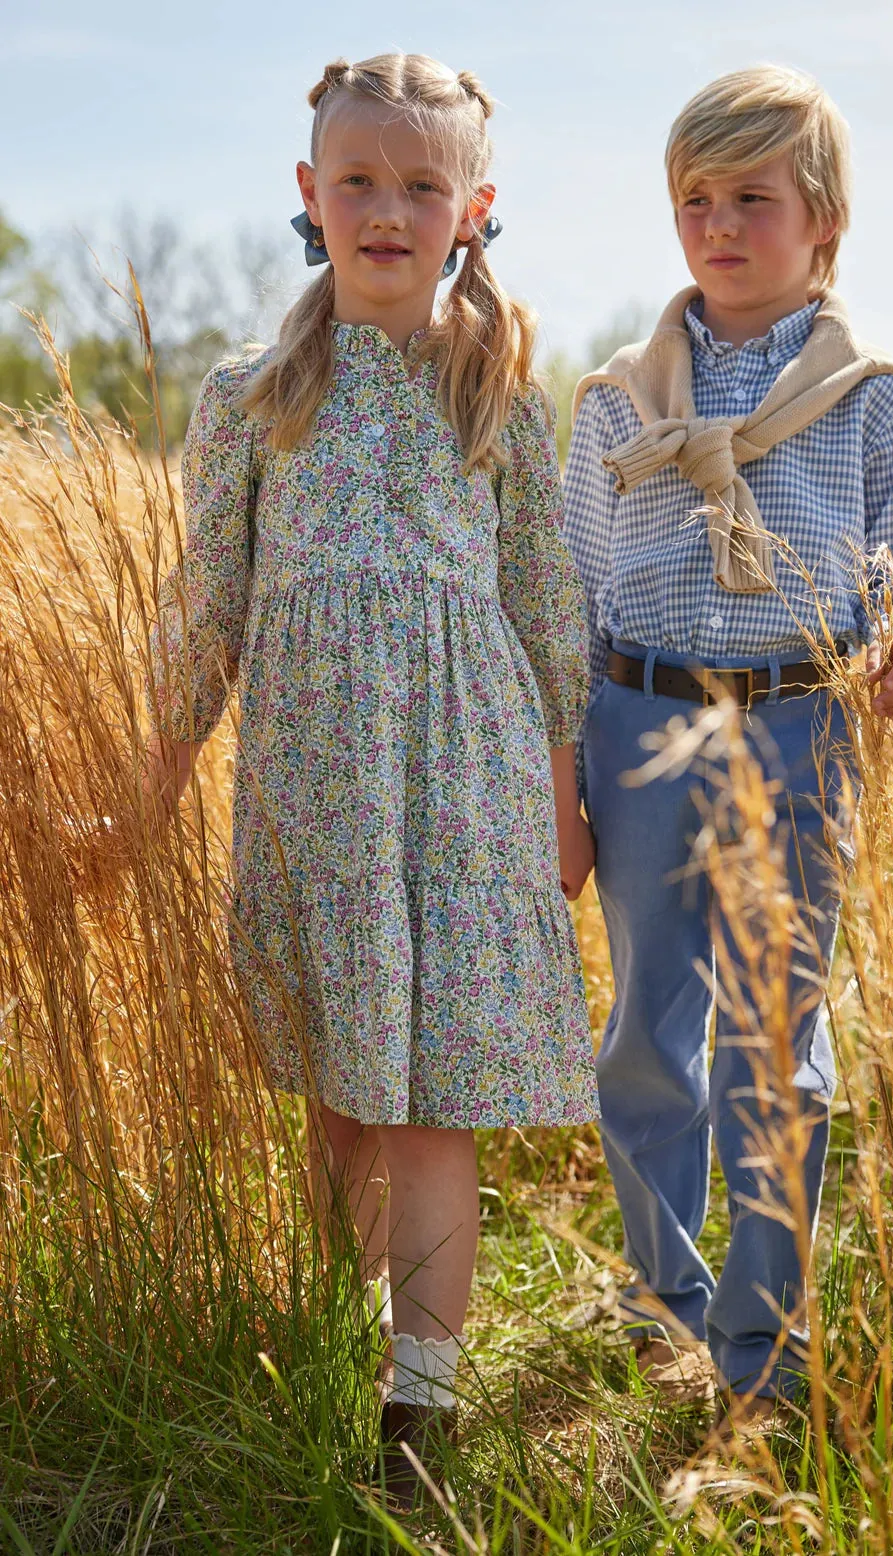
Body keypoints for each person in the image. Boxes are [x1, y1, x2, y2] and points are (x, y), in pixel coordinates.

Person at [141, 52, 598, 1502]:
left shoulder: (499, 387)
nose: (386, 208)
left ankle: (424, 1407)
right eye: (359, 181)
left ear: (473, 207)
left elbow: (544, 607)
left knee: (428, 1103)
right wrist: (147, 789)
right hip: (310, 789)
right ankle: (343, 1338)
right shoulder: (251, 397)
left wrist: (566, 793)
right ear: (309, 195)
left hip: (464, 792)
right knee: (341, 1090)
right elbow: (205, 611)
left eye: (419, 184)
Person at [562, 64, 893, 1443]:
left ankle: (761, 1342)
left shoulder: (873, 398)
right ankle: (661, 1304)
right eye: (695, 201)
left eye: (752, 200)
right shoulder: (622, 398)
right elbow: (572, 594)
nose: (718, 225)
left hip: (798, 722)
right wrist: (565, 767)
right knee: (647, 1030)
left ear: (826, 221)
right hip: (640, 720)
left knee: (777, 1042)